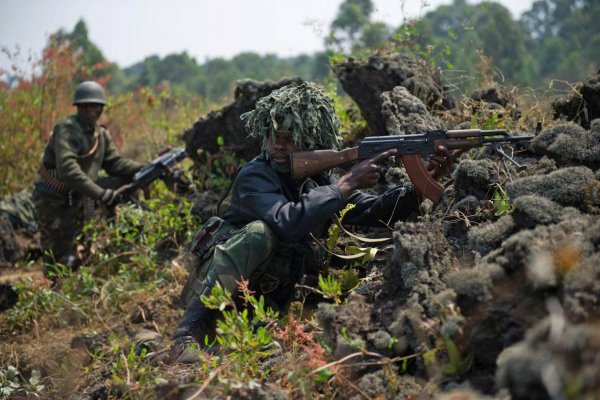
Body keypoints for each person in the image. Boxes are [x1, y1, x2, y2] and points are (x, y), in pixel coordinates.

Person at [169, 82, 453, 362]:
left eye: (289, 137)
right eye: (272, 136)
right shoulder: (255, 176)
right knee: (259, 232)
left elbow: (373, 211)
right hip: (217, 297)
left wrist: (420, 183)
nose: (278, 145)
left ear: (312, 139)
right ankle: (186, 336)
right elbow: (287, 222)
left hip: (264, 303)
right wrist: (346, 184)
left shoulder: (318, 178)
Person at [33, 81, 145, 276]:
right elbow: (68, 170)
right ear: (78, 107)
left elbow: (115, 163)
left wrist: (146, 169)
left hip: (79, 197)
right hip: (55, 200)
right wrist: (100, 194)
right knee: (56, 261)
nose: (91, 110)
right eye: (85, 106)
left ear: (101, 107)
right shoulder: (67, 129)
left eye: (95, 106)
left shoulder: (100, 134)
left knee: (79, 254)